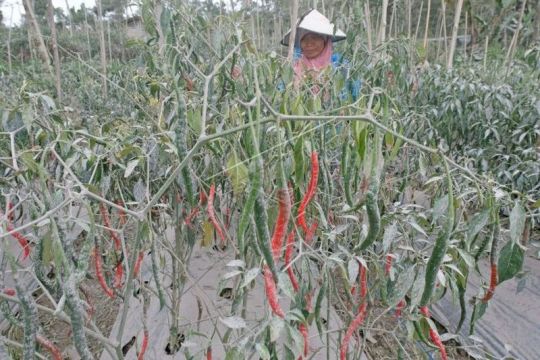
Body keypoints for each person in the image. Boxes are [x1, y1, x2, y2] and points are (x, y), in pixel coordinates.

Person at [281, 9, 361, 101]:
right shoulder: (293, 68)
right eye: (304, 39)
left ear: (326, 40)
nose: (309, 43)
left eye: (314, 37)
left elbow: (353, 96)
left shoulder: (341, 66)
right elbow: (282, 97)